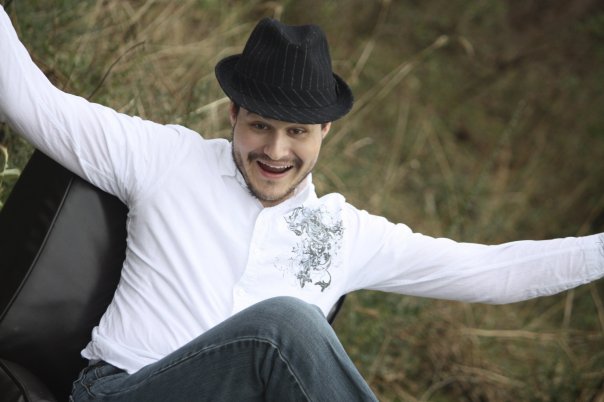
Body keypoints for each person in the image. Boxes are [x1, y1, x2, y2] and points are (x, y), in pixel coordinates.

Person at [1, 5, 603, 402]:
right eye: (260, 126)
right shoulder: (166, 158)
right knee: (284, 327)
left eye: (297, 133)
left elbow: (493, 272)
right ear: (233, 114)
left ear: (325, 132)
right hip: (127, 390)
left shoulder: (345, 233)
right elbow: (33, 103)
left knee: (286, 329)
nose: (275, 151)